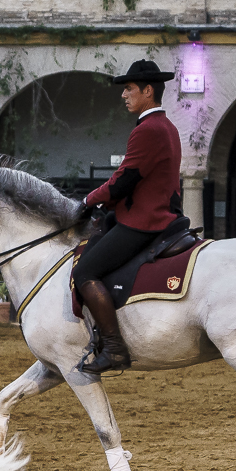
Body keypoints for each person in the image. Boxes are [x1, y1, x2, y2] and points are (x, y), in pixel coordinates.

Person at [75, 60, 184, 374]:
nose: (124, 95)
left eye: (129, 89)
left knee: (85, 273)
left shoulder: (148, 129)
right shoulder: (167, 127)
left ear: (147, 91)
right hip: (162, 213)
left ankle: (114, 348)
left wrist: (87, 200)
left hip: (146, 221)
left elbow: (124, 180)